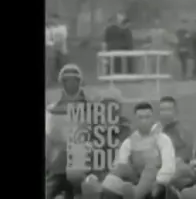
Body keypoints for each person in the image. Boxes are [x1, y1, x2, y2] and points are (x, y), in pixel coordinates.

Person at [101, 102, 176, 199]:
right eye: (140, 118)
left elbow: (168, 167)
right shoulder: (129, 141)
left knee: (151, 168)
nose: (144, 121)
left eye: (147, 117)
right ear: (135, 119)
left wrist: (159, 182)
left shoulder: (162, 139)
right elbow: (120, 163)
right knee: (119, 170)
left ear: (152, 118)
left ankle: (135, 194)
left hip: (155, 181)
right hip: (135, 178)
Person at [75, 88, 134, 199]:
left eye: (112, 106)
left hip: (117, 177)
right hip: (94, 177)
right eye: (104, 106)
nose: (108, 110)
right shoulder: (88, 129)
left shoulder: (126, 130)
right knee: (88, 185)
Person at [45, 64, 89, 199]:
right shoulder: (52, 109)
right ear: (62, 83)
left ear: (79, 82)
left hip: (82, 159)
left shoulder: (90, 108)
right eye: (67, 81)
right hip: (58, 162)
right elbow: (49, 136)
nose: (70, 84)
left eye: (74, 80)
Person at [152, 96, 196, 190]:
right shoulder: (154, 130)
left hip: (176, 168)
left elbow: (184, 157)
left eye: (169, 109)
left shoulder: (183, 132)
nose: (165, 113)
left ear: (176, 112)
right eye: (162, 109)